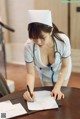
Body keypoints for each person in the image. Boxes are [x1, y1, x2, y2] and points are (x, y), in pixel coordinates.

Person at [23, 10, 72, 102]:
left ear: (51, 31)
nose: (38, 42)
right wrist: (29, 90)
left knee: (59, 96)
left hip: (62, 70)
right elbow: (30, 73)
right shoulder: (28, 47)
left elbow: (65, 66)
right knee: (48, 99)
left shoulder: (63, 41)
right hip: (45, 74)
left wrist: (57, 87)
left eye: (42, 38)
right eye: (34, 37)